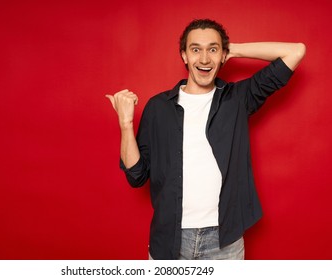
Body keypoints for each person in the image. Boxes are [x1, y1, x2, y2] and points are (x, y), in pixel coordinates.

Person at [106, 19, 306, 260]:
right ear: (184, 56)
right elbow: (136, 176)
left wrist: (235, 49)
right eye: (195, 49)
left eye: (213, 49)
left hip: (224, 241)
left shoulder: (237, 99)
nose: (204, 59)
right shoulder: (159, 107)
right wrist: (125, 125)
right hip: (169, 240)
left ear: (223, 55)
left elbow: (296, 51)